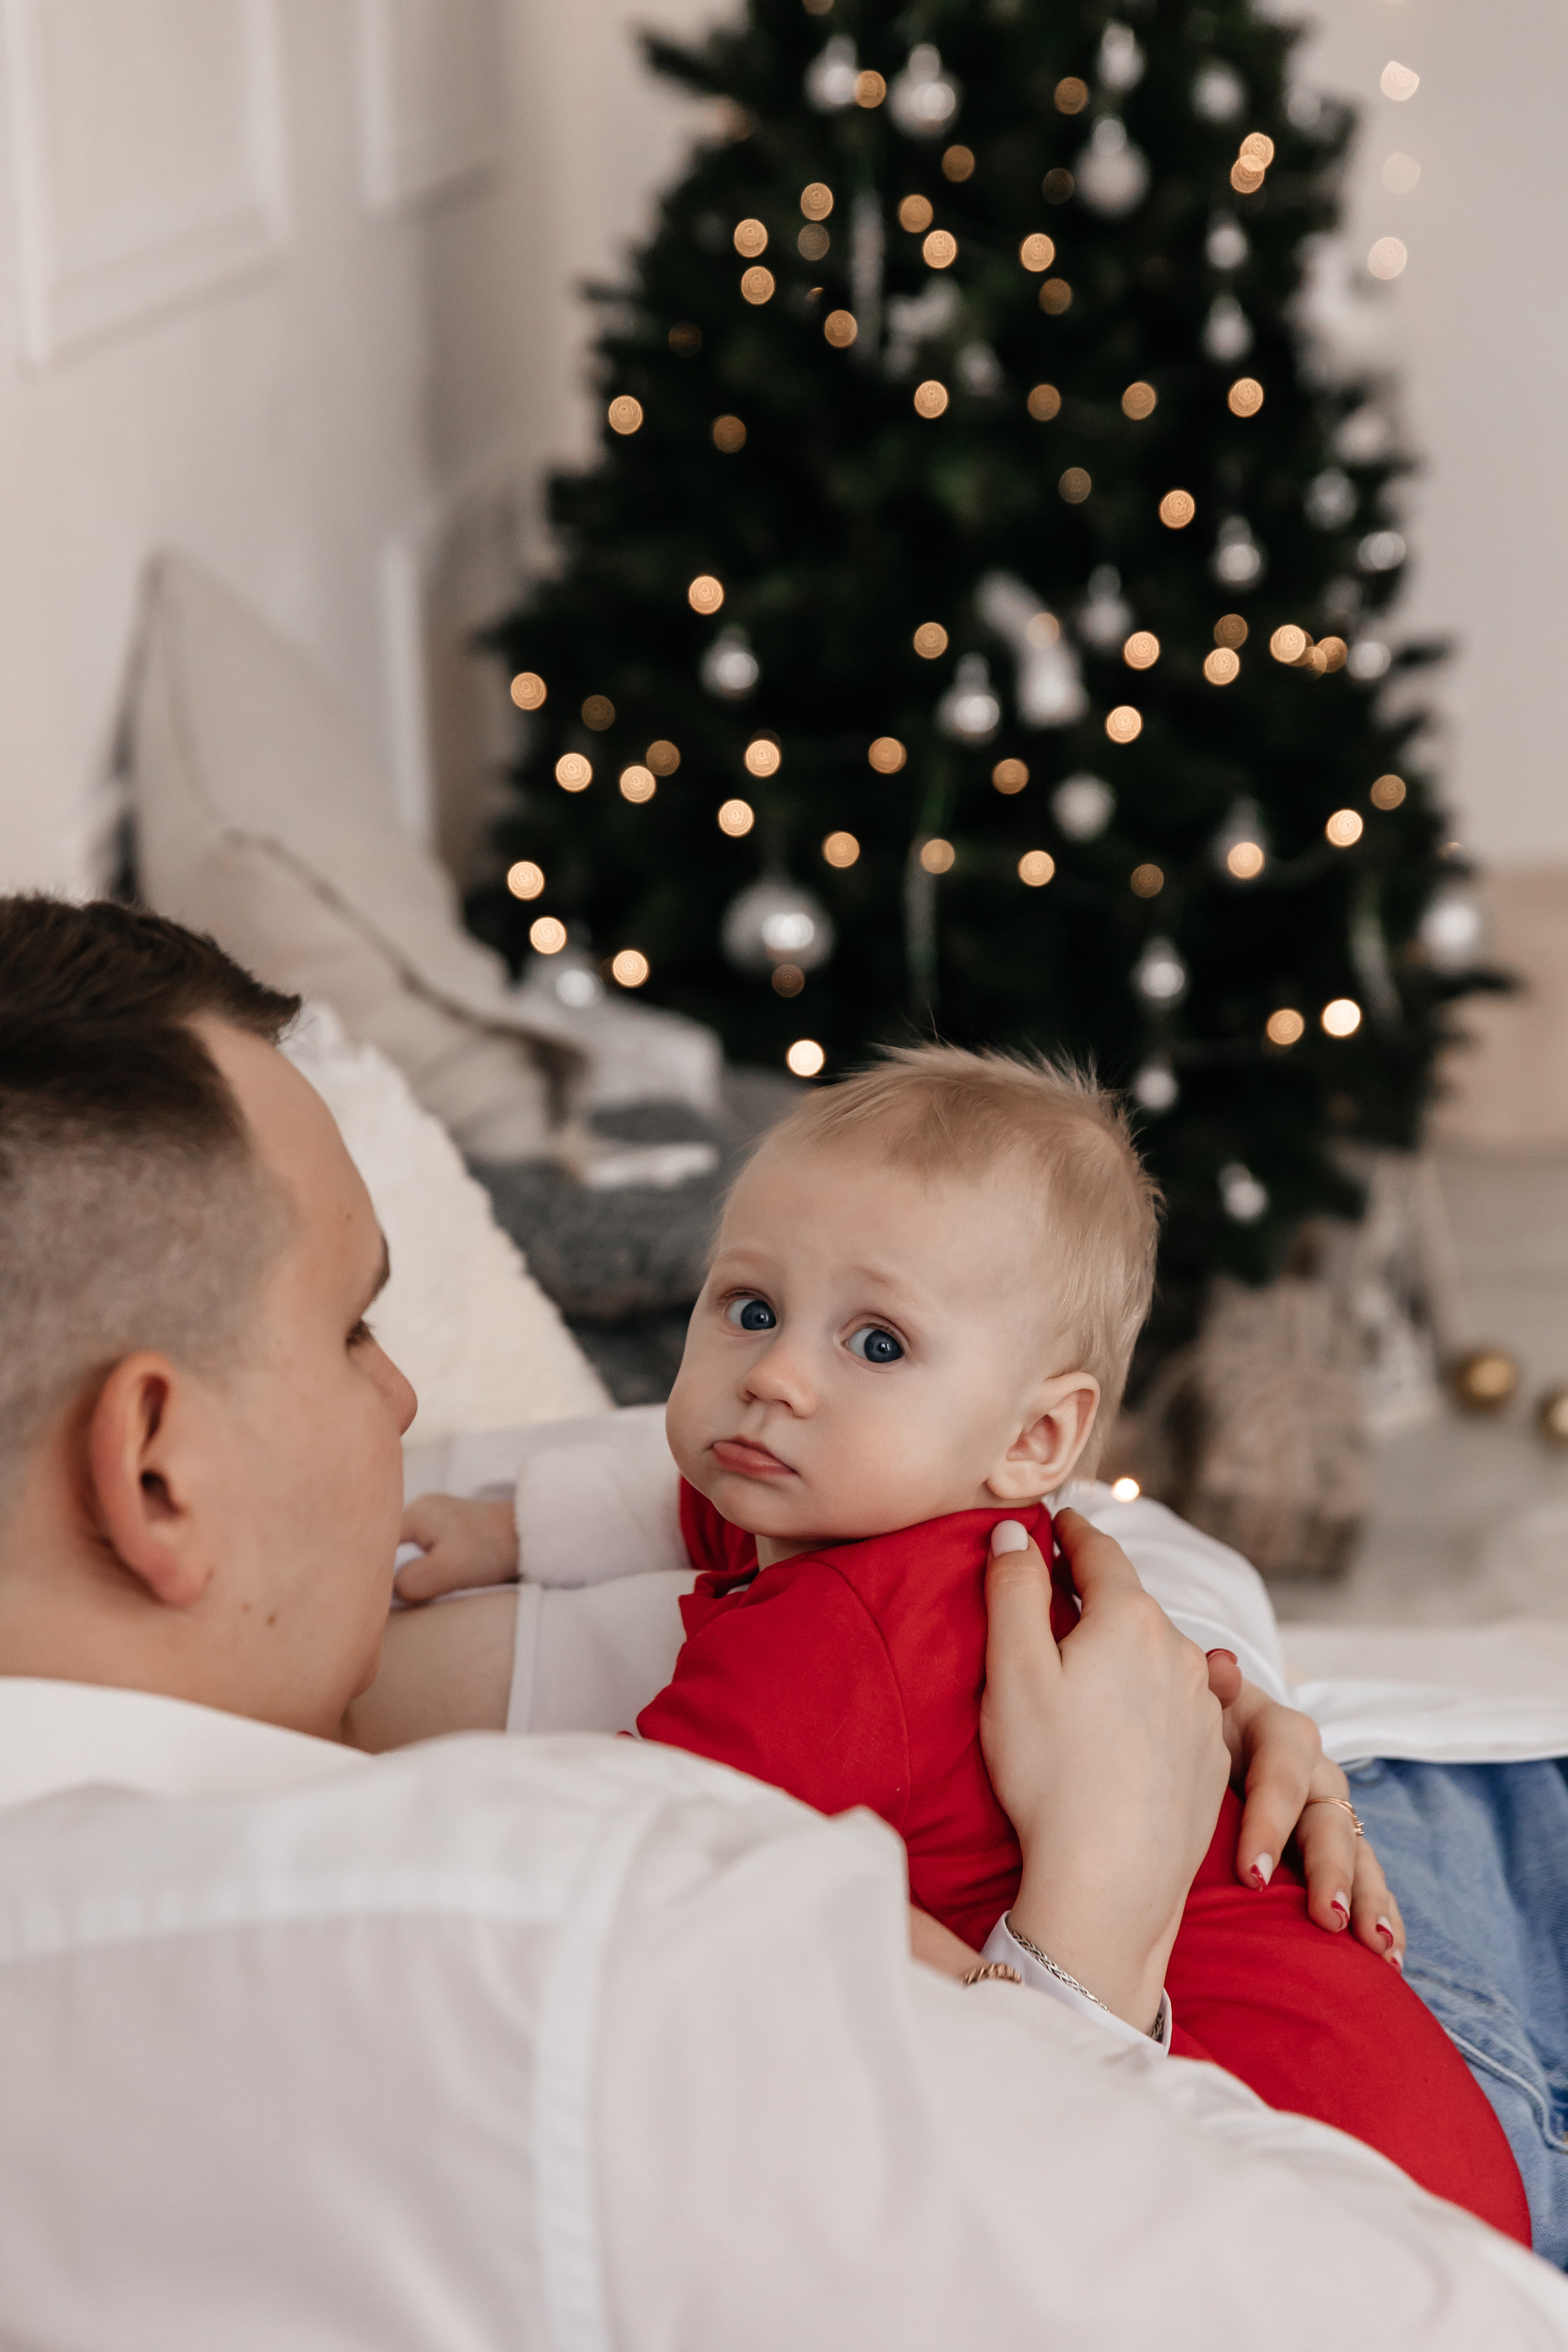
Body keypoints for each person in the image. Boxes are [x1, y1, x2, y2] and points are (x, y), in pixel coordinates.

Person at [0, 894, 1563, 2350]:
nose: (408, 1400)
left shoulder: (268, 1603)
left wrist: (1173, 1666)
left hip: (1372, 1853)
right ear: (155, 1468)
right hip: (1391, 2102)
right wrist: (1097, 1906)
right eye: (352, 1333)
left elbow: (1067, 1517)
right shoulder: (575, 1940)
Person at [396, 1045, 1524, 2235]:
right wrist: (515, 1526)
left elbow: (634, 1848)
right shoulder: (880, 1509)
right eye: (749, 1307)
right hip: (1415, 2130)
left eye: (874, 1343)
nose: (774, 1376)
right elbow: (687, 1497)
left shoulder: (837, 1629)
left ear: (1036, 1440)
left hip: (1303, 2160)